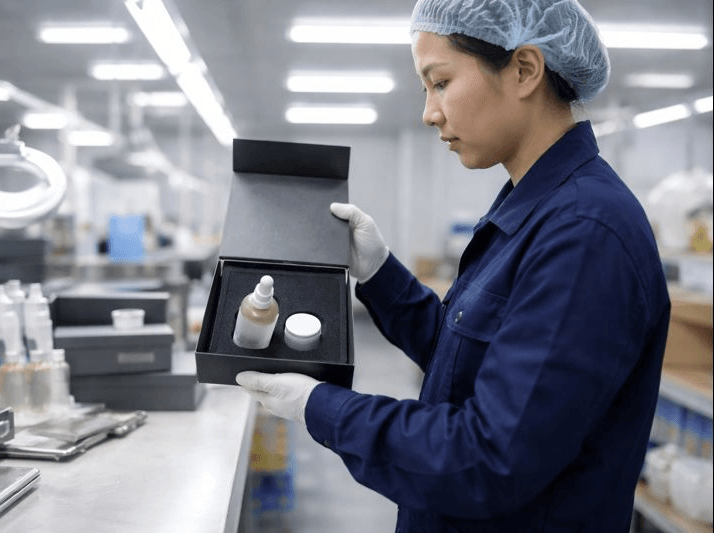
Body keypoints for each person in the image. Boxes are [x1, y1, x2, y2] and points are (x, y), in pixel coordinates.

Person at [236, 0, 671, 531]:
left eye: (440, 82)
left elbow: (488, 458)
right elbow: (464, 360)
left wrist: (323, 408)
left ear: (524, 70)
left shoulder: (584, 232)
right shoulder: (532, 205)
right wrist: (378, 273)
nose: (429, 112)